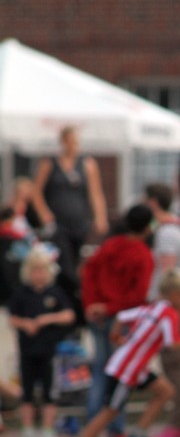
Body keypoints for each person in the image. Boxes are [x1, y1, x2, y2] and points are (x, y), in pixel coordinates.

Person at [67, 269, 180, 437]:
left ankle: (139, 432)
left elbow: (122, 316)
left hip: (136, 367)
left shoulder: (152, 308)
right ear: (175, 296)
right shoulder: (169, 314)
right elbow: (173, 342)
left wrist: (116, 337)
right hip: (126, 370)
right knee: (111, 411)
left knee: (166, 391)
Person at [80, 203, 155, 437]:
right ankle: (114, 425)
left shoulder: (110, 245)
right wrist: (110, 307)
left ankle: (92, 423)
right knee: (119, 372)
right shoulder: (143, 254)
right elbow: (138, 296)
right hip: (122, 318)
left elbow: (88, 272)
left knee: (100, 368)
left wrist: (92, 304)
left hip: (98, 313)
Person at [32, 126, 108, 312]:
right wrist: (44, 214)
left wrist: (100, 217)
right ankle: (68, 303)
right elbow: (36, 191)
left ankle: (75, 306)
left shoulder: (87, 164)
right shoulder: (50, 163)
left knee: (78, 261)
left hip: (80, 222)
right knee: (64, 265)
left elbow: (95, 193)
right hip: (58, 224)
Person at [8, 245, 76, 437]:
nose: (38, 274)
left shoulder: (55, 293)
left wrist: (47, 319)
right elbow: (12, 318)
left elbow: (69, 315)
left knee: (49, 391)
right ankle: (28, 429)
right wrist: (26, 324)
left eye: (41, 270)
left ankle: (47, 429)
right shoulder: (22, 293)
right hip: (27, 349)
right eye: (34, 270)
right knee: (27, 391)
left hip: (49, 350)